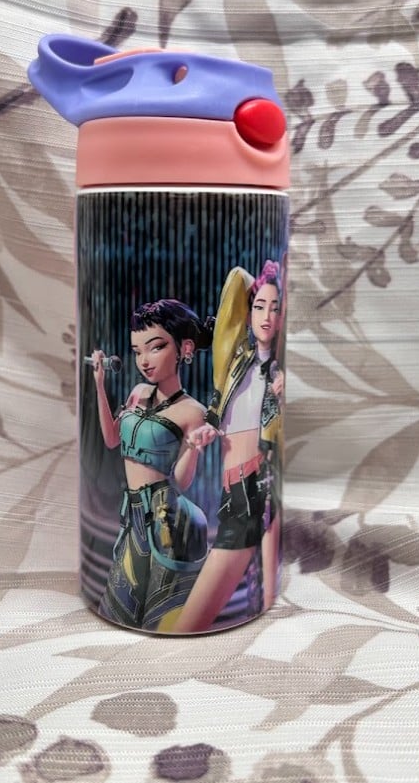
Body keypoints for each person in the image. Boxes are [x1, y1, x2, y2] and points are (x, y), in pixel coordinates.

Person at [173, 260, 284, 633]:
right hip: (232, 498)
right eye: (259, 306)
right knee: (252, 606)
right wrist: (267, 281)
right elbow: (237, 278)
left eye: (275, 309)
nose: (266, 316)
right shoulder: (237, 362)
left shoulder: (280, 373)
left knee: (256, 607)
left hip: (259, 493)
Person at [91, 299, 214, 632]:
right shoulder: (138, 392)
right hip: (132, 512)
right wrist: (99, 384)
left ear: (184, 348)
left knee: (160, 613)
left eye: (156, 347)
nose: (144, 360)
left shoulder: (193, 411)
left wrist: (193, 447)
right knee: (119, 605)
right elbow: (112, 440)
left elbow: (181, 482)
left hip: (166, 518)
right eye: (137, 351)